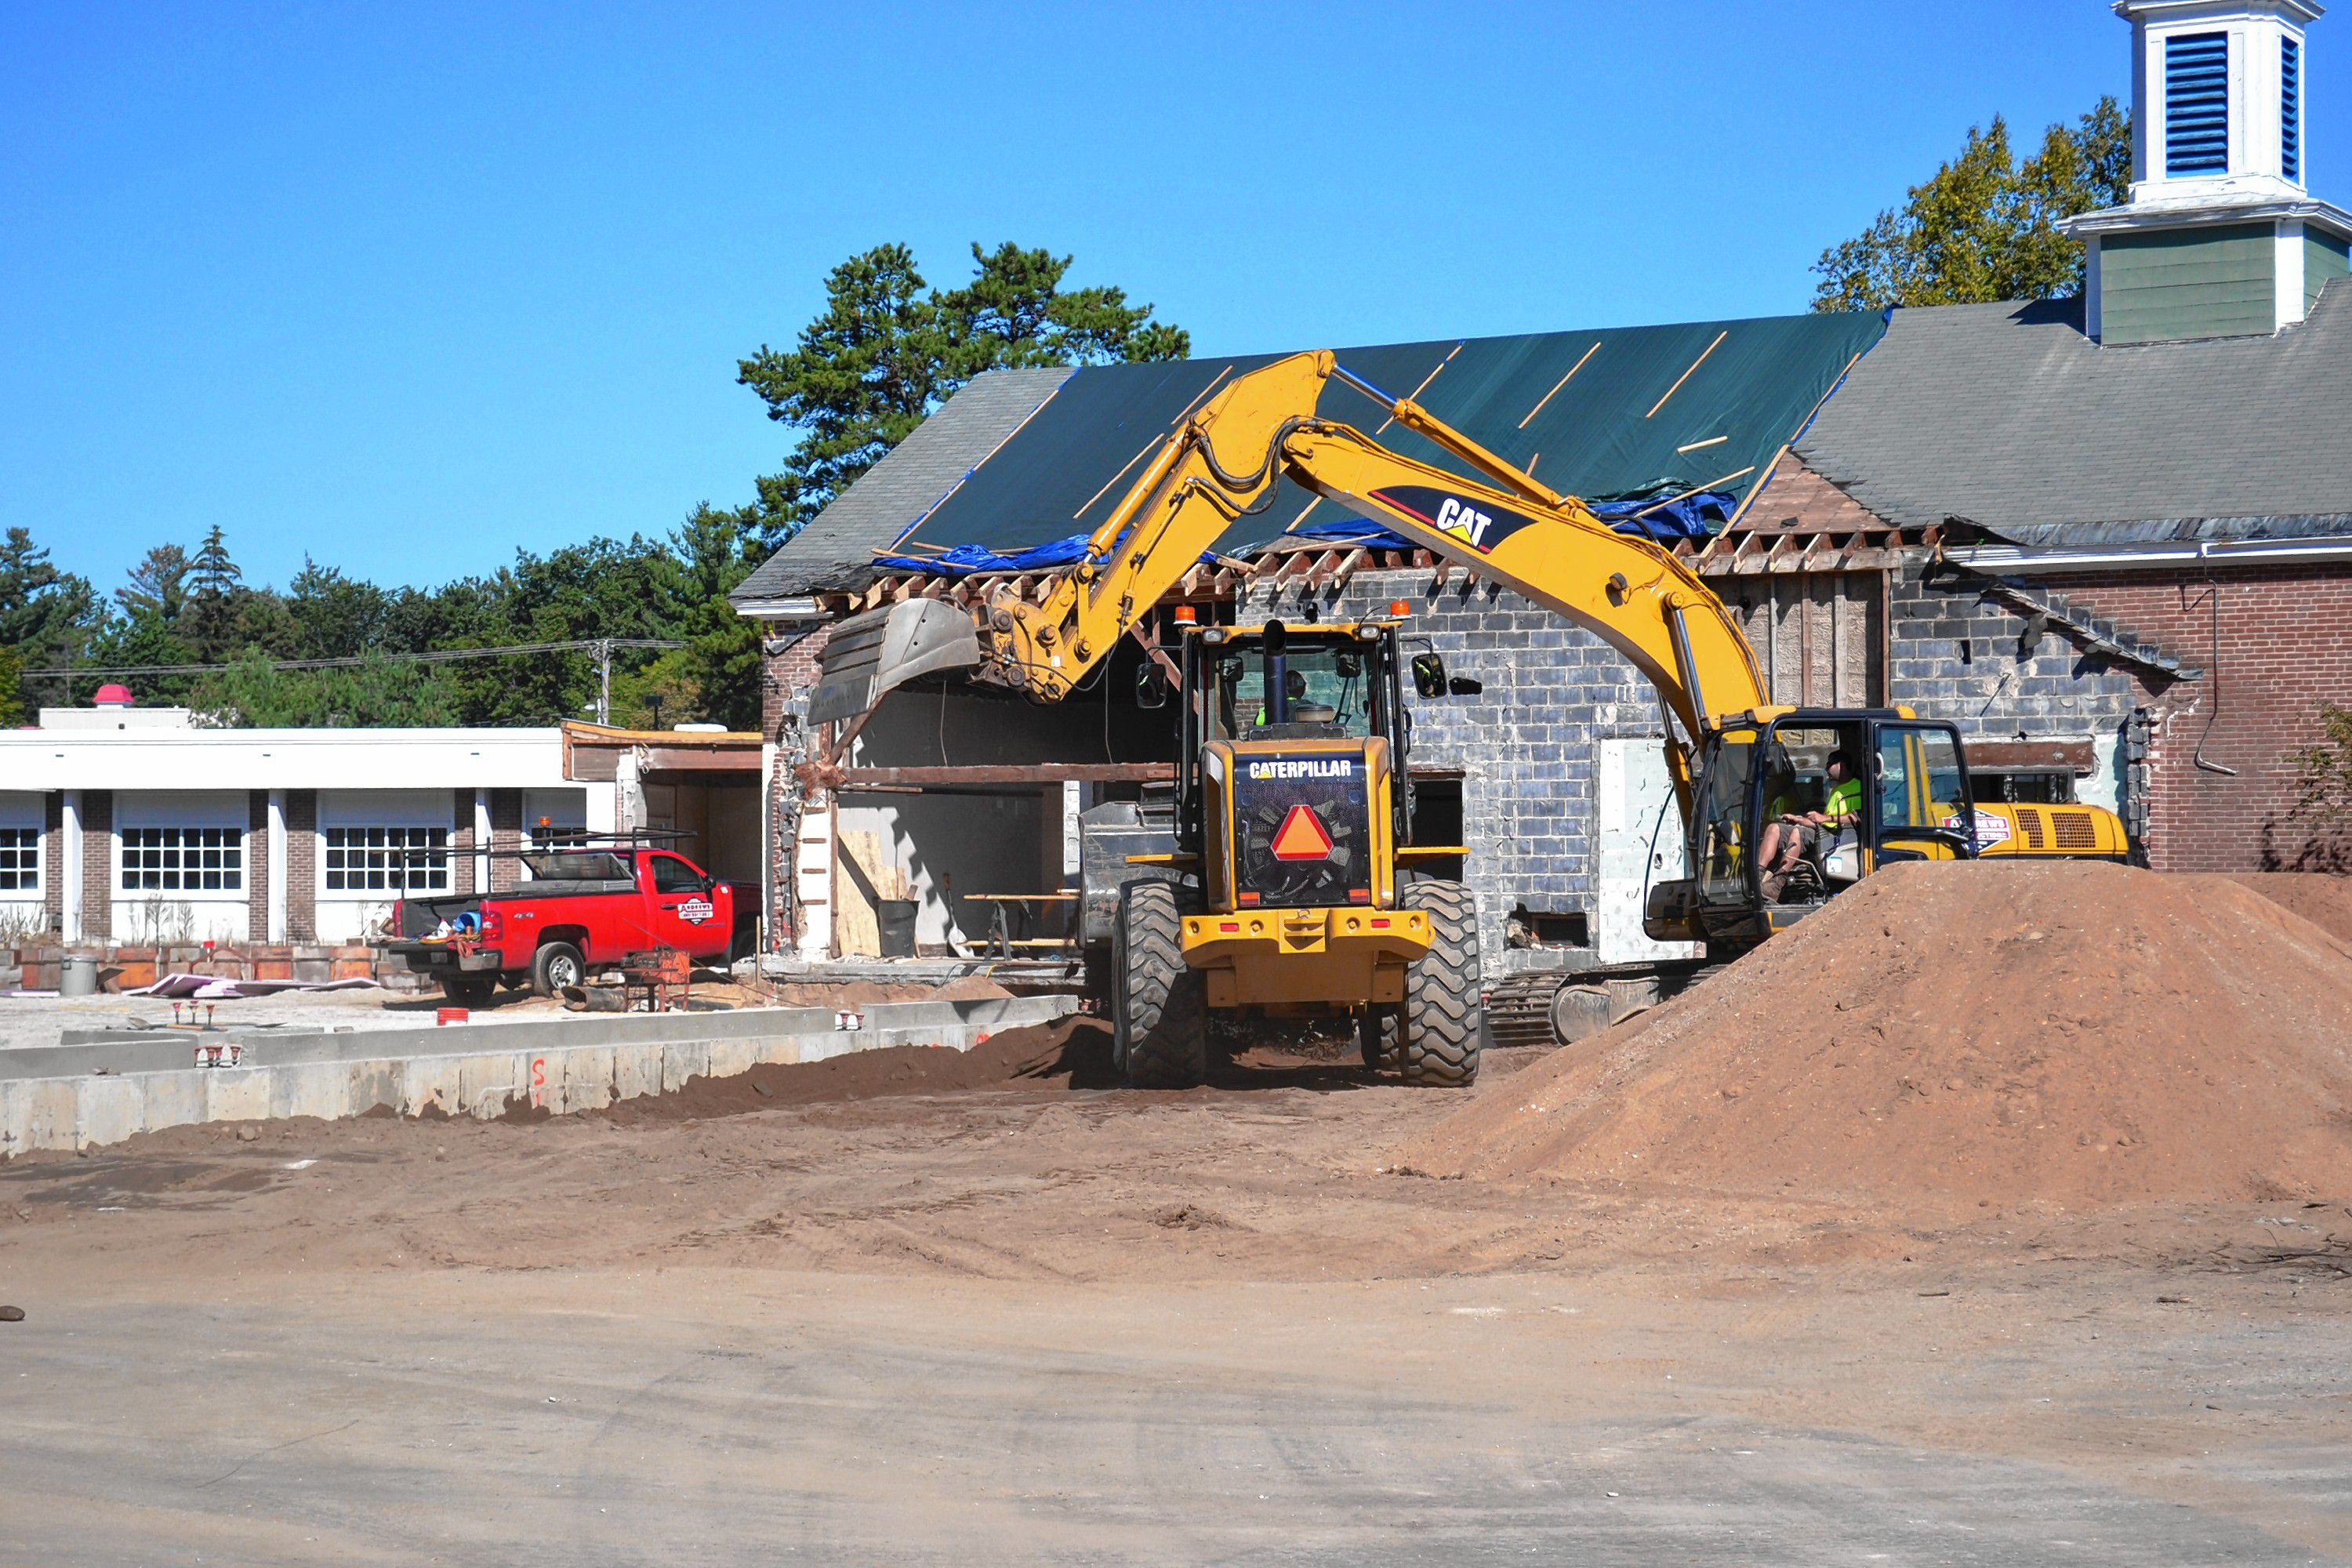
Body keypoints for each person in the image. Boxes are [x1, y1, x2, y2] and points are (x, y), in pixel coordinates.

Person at [1759, 750, 1860, 901]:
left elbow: (1854, 818)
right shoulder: (1837, 789)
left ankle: (1778, 882)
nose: (1826, 769)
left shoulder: (1856, 788)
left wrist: (1823, 818)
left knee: (1797, 833)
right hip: (1822, 831)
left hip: (1838, 837)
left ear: (1842, 765)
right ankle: (1757, 875)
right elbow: (1822, 823)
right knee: (1774, 828)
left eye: (1830, 764)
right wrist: (1798, 819)